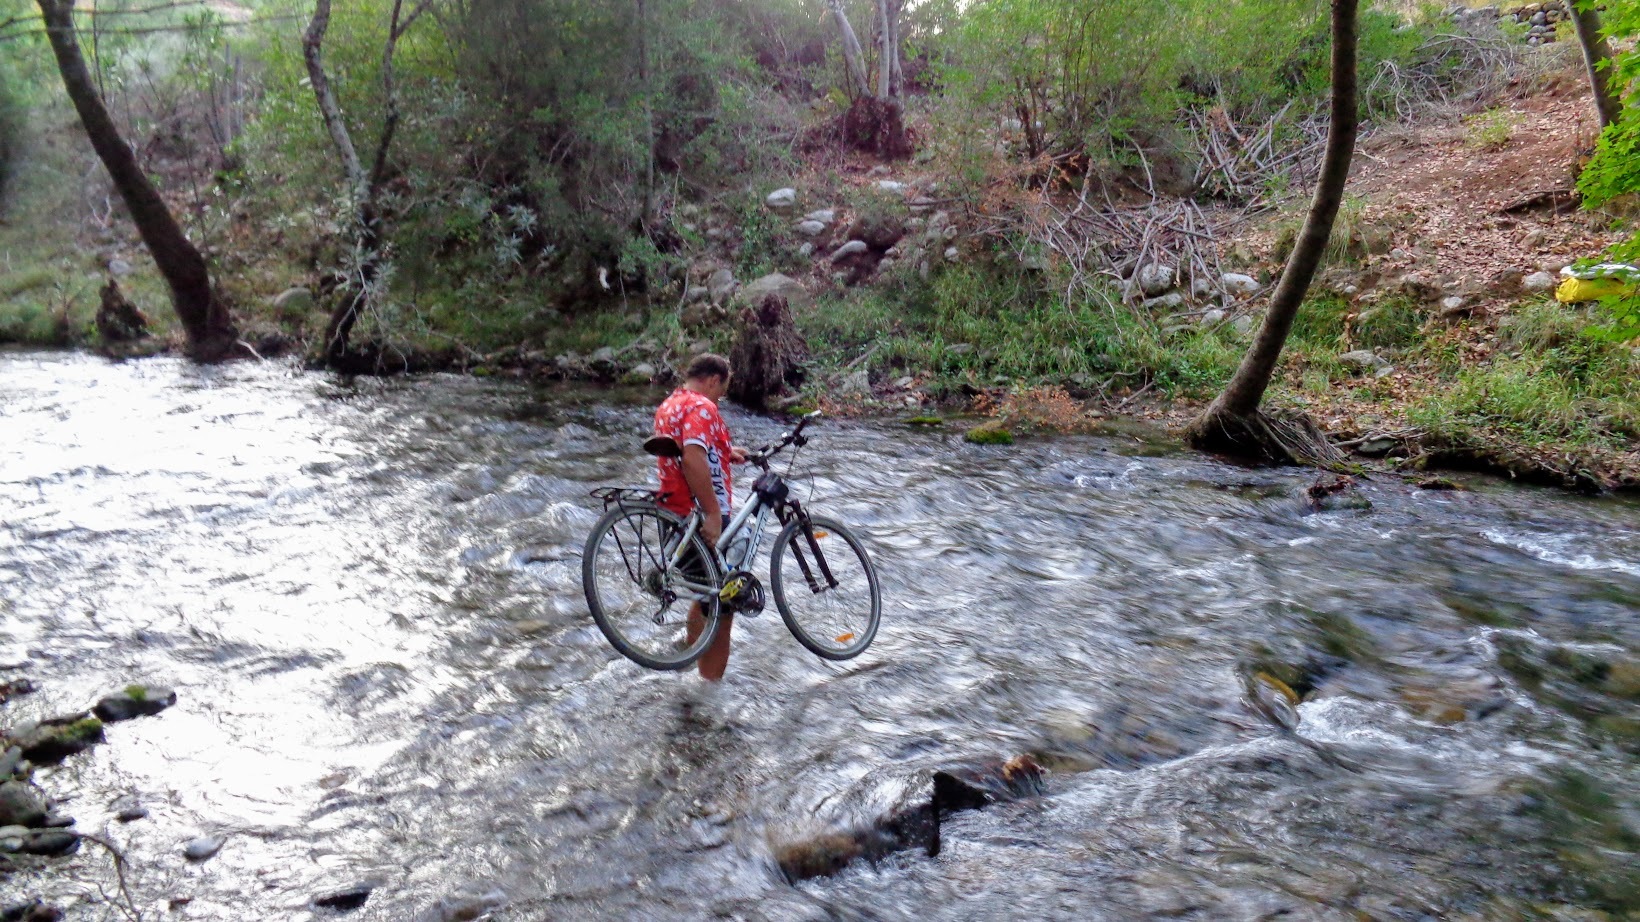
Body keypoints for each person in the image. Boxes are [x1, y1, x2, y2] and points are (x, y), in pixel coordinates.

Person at [653, 353, 748, 682]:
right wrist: (712, 514)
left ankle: (696, 670)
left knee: (705, 595)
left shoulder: (671, 404)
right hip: (697, 516)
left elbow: (684, 448)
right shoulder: (702, 406)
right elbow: (693, 458)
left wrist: (723, 451)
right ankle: (709, 692)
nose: (720, 396)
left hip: (672, 512)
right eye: (722, 389)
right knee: (724, 607)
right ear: (713, 380)